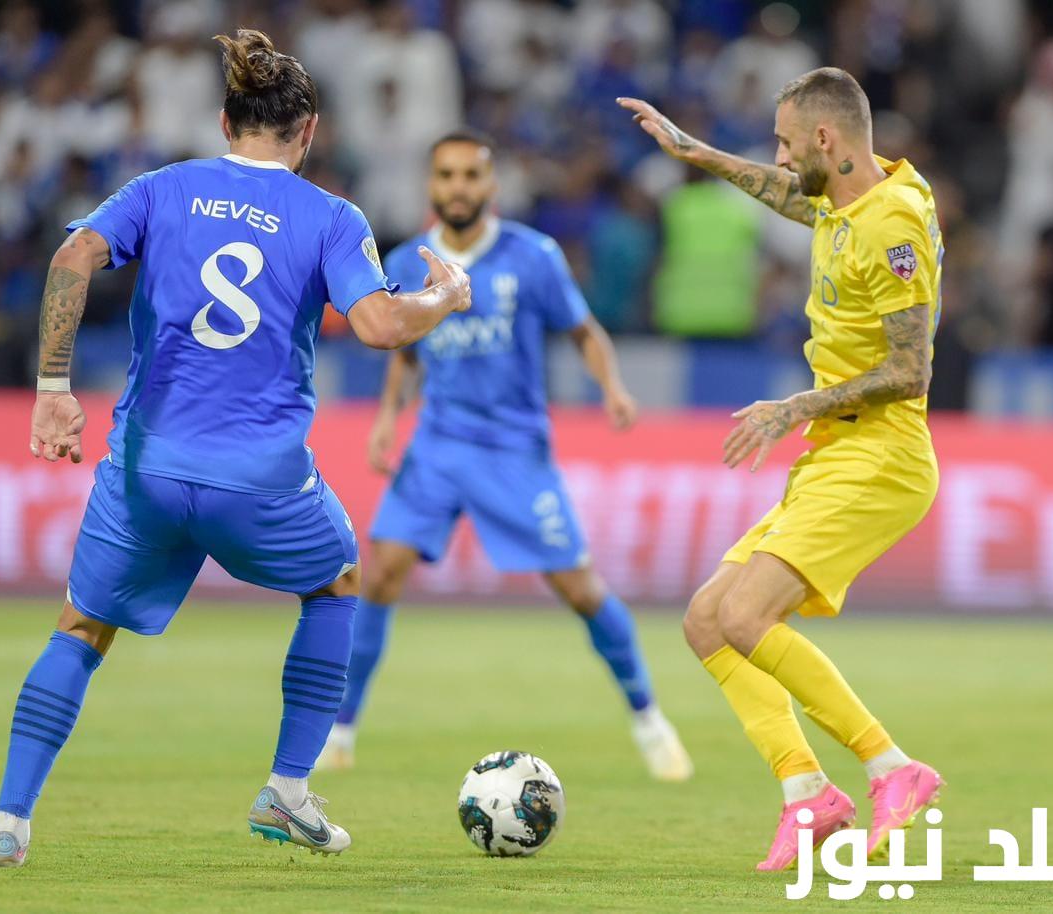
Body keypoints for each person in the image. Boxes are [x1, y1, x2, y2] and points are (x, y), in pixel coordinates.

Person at [0, 29, 471, 868]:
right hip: (257, 478)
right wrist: (443, 296)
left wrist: (54, 391)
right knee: (339, 578)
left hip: (147, 467)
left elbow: (72, 256)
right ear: (308, 132)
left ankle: (6, 826)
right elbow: (381, 326)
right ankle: (288, 790)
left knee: (81, 627)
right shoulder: (331, 216)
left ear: (223, 120)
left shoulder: (162, 188)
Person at [620, 67, 943, 871]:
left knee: (745, 617)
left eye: (786, 140)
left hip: (883, 451)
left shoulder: (892, 224)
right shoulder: (848, 200)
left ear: (826, 140)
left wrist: (792, 407)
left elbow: (913, 369)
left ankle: (891, 769)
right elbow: (790, 196)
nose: (779, 152)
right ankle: (807, 796)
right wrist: (694, 152)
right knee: (707, 621)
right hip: (840, 448)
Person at [318, 129, 693, 782]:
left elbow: (583, 330)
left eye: (470, 175)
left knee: (578, 588)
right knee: (377, 576)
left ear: (491, 186)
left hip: (514, 451)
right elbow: (405, 346)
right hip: (437, 444)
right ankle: (341, 730)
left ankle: (649, 717)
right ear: (430, 186)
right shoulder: (408, 257)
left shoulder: (533, 256)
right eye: (446, 176)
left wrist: (612, 386)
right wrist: (387, 419)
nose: (458, 187)